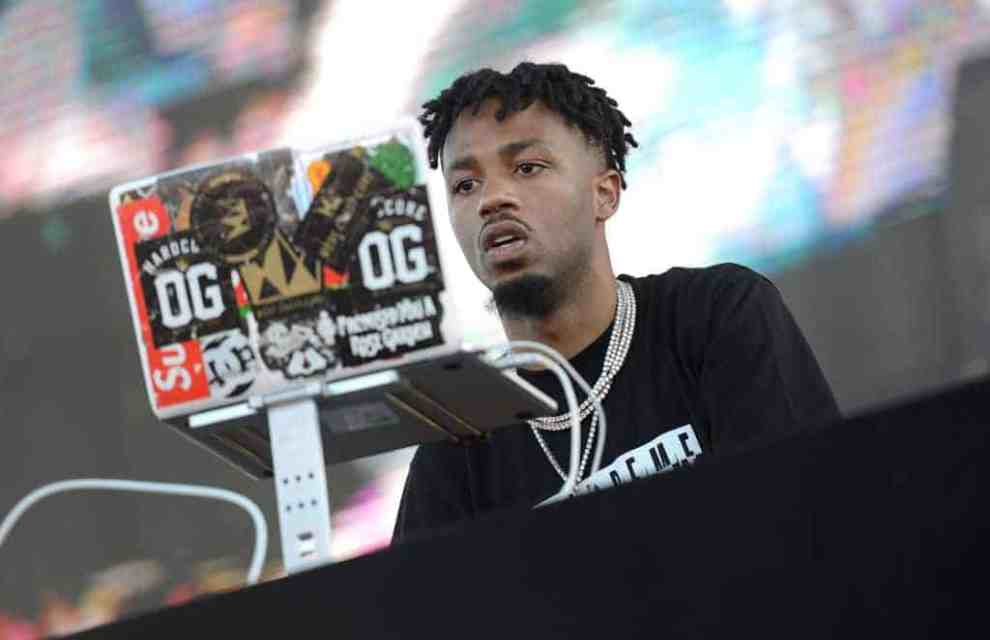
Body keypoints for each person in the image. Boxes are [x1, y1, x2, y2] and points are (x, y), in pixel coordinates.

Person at [393, 62, 840, 541]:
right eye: (465, 185)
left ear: (604, 194)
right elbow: (414, 612)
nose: (491, 199)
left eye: (527, 167)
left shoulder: (713, 316)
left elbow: (811, 523)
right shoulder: (461, 439)